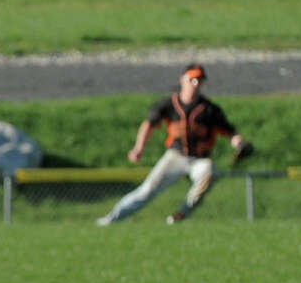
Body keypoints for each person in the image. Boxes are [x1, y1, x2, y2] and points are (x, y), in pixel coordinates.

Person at [96, 64, 248, 226]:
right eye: (193, 79)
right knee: (147, 190)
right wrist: (139, 148)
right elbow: (149, 124)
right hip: (176, 157)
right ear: (183, 80)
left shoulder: (210, 109)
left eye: (200, 80)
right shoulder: (169, 104)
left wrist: (239, 143)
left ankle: (180, 215)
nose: (196, 84)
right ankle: (111, 220)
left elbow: (230, 132)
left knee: (209, 173)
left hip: (200, 160)